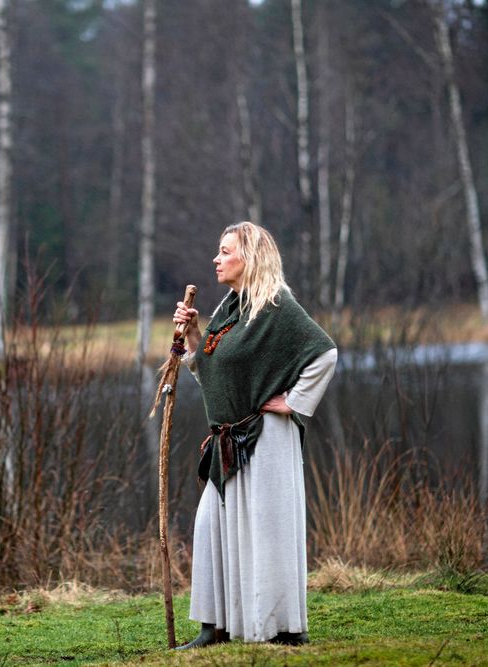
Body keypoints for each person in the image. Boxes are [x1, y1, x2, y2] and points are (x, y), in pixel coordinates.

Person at [171, 221, 337, 649]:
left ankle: (281, 629)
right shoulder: (231, 308)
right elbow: (215, 371)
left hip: (267, 441)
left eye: (225, 251)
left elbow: (325, 353)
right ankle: (215, 626)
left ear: (250, 258)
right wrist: (193, 336)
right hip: (229, 444)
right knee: (211, 527)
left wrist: (295, 402)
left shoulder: (277, 307)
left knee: (268, 534)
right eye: (218, 250)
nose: (216, 258)